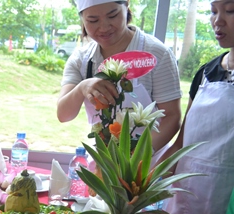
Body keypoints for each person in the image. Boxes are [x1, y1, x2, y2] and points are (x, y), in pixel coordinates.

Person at [57, 0, 182, 153]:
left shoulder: (156, 53)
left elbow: (171, 116)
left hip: (148, 159)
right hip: (104, 159)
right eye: (93, 20)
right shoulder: (81, 60)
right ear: (82, 19)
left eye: (113, 15)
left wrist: (137, 156)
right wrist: (82, 88)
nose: (104, 27)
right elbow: (63, 114)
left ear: (126, 7)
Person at [164, 0, 234, 214]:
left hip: (225, 207)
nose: (218, 20)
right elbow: (181, 144)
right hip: (184, 198)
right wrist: (143, 182)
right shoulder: (205, 73)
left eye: (230, 10)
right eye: (213, 11)